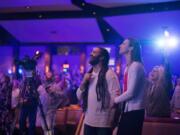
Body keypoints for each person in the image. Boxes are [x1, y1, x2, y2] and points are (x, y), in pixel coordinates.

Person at [77, 47, 120, 135]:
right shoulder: (88, 75)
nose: (91, 54)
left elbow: (115, 99)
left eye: (94, 52)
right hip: (89, 120)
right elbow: (78, 96)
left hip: (103, 123)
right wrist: (84, 82)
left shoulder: (110, 75)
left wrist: (107, 115)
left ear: (102, 57)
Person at [114, 38, 146, 135]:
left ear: (131, 48)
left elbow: (131, 93)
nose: (120, 45)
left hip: (134, 111)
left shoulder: (136, 66)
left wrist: (114, 100)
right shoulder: (128, 67)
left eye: (123, 43)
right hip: (128, 109)